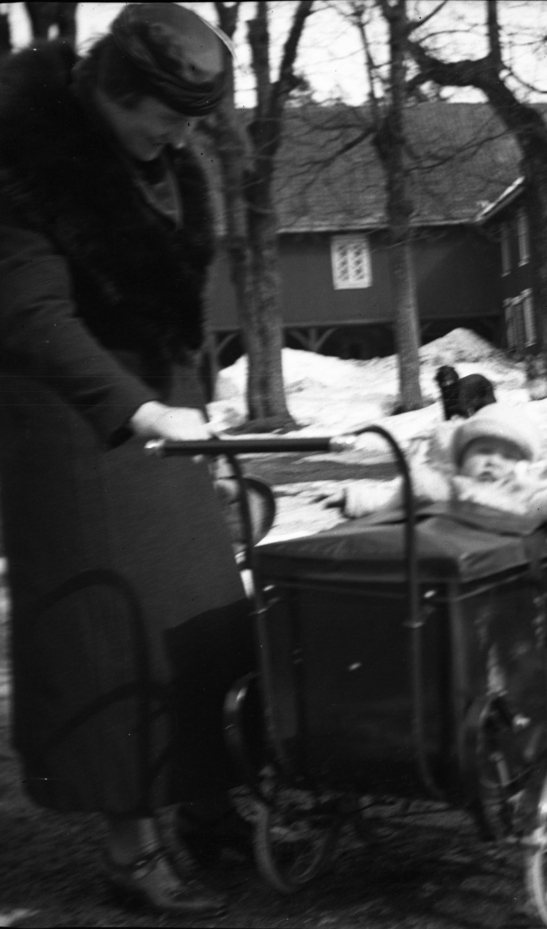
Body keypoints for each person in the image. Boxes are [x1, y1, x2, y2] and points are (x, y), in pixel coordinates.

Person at [0, 4, 250, 916]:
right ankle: (130, 847)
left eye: (192, 121)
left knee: (208, 622)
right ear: (115, 88)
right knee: (117, 640)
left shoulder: (164, 158)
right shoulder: (29, 162)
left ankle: (215, 809)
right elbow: (30, 319)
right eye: (168, 116)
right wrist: (137, 408)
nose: (181, 136)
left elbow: (169, 300)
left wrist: (198, 415)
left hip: (165, 423)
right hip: (74, 429)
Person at [336, 402, 547, 534]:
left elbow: (538, 503)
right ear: (462, 460)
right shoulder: (447, 486)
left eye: (507, 456)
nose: (493, 461)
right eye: (483, 451)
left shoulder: (517, 490)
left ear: (521, 466)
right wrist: (355, 498)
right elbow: (397, 499)